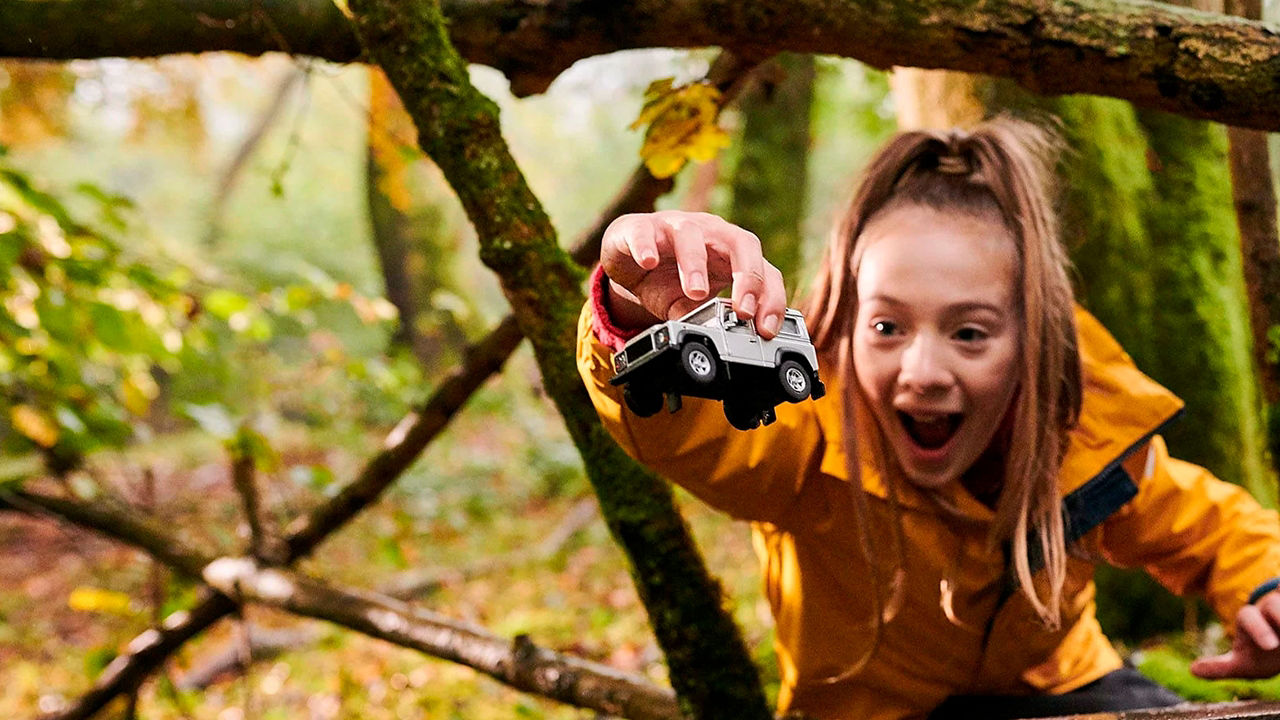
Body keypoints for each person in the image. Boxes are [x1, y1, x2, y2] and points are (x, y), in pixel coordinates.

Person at [574, 116, 1280, 720]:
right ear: (847, 326)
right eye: (887, 327)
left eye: (969, 333)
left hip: (1063, 685)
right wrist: (638, 316)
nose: (923, 372)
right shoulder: (808, 432)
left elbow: (1202, 519)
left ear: (1029, 342)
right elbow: (689, 433)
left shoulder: (1080, 429)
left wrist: (1266, 583)